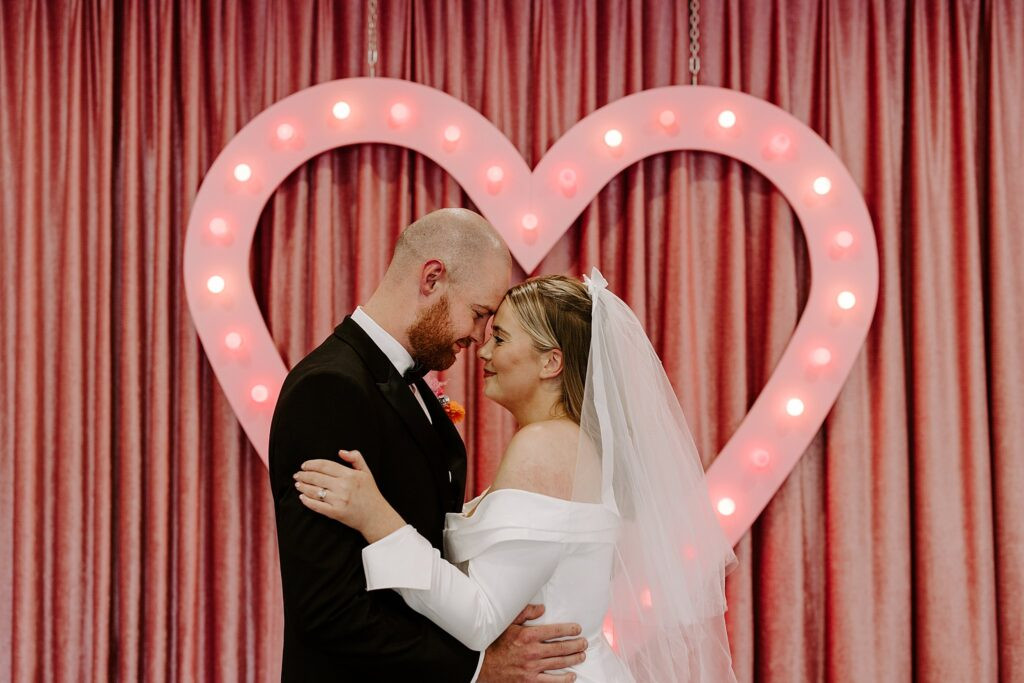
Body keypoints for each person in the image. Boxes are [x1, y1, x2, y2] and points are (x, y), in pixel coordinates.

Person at [295, 269, 739, 682]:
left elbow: (480, 616)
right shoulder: (572, 445)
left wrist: (376, 517)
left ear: (551, 362)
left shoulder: (545, 446)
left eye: (501, 338)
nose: (483, 352)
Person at [269, 208, 588, 682]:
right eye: (480, 314)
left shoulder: (410, 384)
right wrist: (476, 669)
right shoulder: (331, 388)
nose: (481, 339)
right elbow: (326, 607)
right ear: (432, 278)